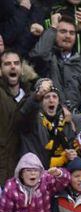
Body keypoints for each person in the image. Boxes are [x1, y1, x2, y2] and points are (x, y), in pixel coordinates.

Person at [28, 14, 81, 111]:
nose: (68, 36)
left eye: (72, 33)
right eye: (63, 31)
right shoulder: (48, 57)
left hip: (76, 119)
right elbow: (40, 54)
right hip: (49, 117)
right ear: (55, 33)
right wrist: (53, 26)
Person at [19, 79, 75, 169]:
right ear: (40, 102)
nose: (51, 100)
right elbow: (27, 111)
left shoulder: (65, 120)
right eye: (47, 97)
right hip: (36, 172)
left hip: (61, 173)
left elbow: (71, 144)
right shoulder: (32, 119)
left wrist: (72, 154)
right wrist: (37, 96)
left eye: (54, 97)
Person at [0, 49, 29, 184]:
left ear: (22, 69)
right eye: (7, 64)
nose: (12, 66)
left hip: (27, 173)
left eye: (16, 63)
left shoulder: (31, 96)